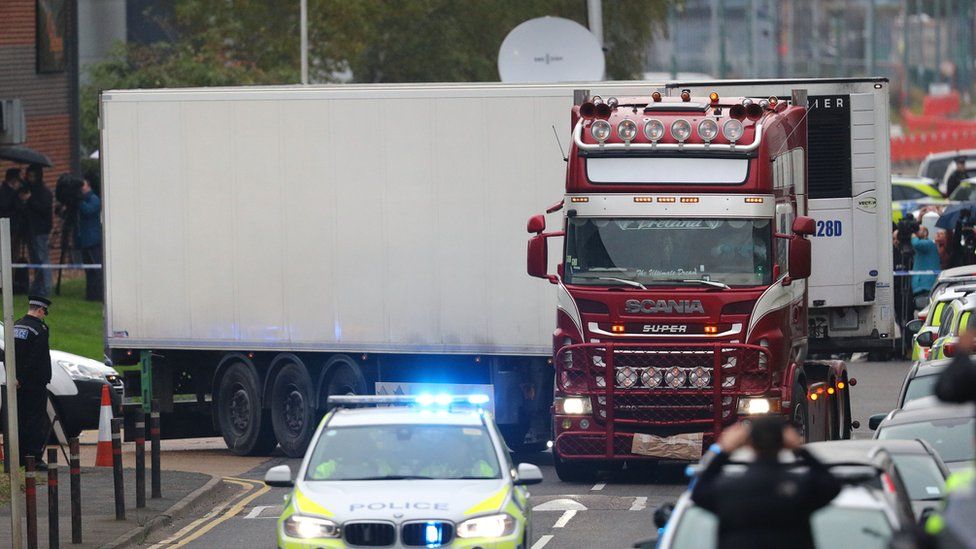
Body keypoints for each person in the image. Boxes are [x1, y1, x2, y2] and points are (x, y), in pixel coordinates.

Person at [690, 416, 841, 549]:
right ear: (784, 443)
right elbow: (832, 485)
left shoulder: (729, 489)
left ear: (749, 444)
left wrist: (724, 451)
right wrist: (800, 450)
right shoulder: (800, 488)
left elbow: (698, 492)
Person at [13, 295, 53, 469]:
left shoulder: (16, 325)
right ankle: (34, 458)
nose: (44, 315)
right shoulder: (40, 329)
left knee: (20, 419)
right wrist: (24, 377)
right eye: (44, 312)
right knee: (35, 420)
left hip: (18, 383)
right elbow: (35, 358)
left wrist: (16, 378)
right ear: (39, 310)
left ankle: (21, 457)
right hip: (34, 383)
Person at [22, 164, 52, 297]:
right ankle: (38, 286)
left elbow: (43, 209)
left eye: (33, 176)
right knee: (35, 259)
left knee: (42, 258)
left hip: (41, 229)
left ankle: (46, 287)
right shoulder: (29, 189)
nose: (31, 179)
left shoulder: (44, 192)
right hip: (30, 229)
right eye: (29, 176)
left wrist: (30, 200)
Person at [76, 176, 103, 301]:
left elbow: (88, 211)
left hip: (93, 239)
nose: (81, 188)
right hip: (84, 239)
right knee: (88, 270)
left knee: (96, 269)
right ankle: (91, 294)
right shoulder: (82, 199)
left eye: (83, 185)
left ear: (88, 186)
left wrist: (79, 201)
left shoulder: (94, 199)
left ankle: (99, 293)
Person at [911, 226, 940, 303]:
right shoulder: (923, 246)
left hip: (926, 286)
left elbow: (917, 244)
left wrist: (913, 237)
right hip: (922, 285)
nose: (916, 232)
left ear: (925, 233)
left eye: (918, 230)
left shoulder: (929, 244)